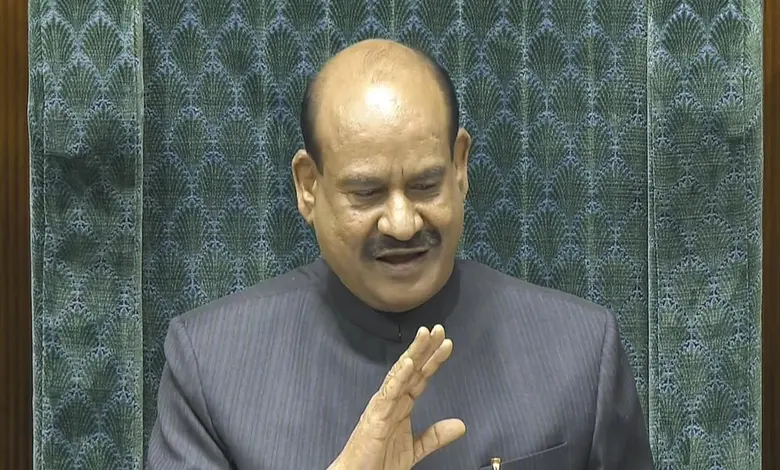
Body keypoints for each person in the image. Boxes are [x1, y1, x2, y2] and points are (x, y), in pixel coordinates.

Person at [146, 38, 654, 469]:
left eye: (425, 185)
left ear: (460, 167)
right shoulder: (211, 368)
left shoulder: (581, 352)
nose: (403, 223)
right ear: (308, 187)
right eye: (366, 193)